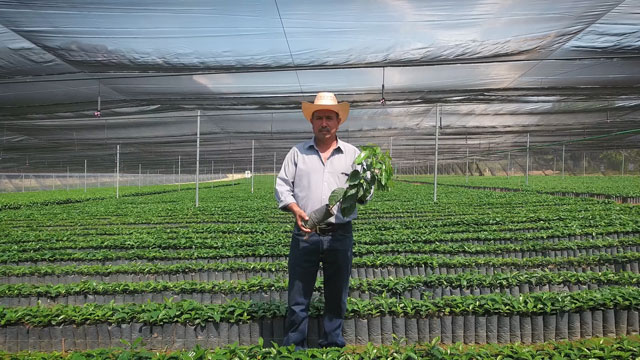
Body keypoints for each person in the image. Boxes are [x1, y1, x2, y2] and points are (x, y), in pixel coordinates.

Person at [275, 92, 360, 349]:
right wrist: (295, 209)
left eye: (329, 118)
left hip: (340, 233)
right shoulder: (297, 153)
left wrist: (368, 185)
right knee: (298, 294)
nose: (324, 122)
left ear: (339, 121)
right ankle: (294, 346)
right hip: (306, 231)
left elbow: (365, 193)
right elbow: (282, 186)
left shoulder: (353, 155)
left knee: (337, 292)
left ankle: (332, 341)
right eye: (319, 117)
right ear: (312, 122)